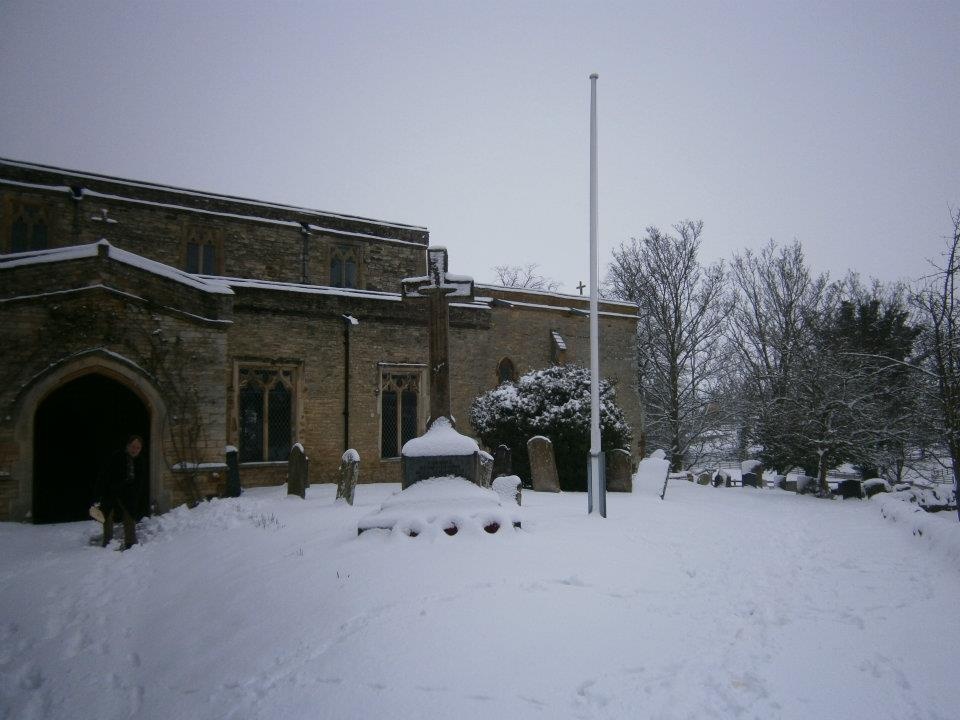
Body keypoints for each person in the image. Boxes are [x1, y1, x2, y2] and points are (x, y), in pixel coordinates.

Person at [96, 434, 145, 549]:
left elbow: (140, 481)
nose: (135, 450)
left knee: (129, 515)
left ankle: (130, 542)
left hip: (128, 492)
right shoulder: (117, 457)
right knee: (107, 514)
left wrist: (136, 495)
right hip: (112, 489)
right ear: (128, 446)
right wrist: (99, 493)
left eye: (138, 448)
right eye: (133, 446)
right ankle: (107, 542)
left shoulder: (141, 461)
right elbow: (104, 475)